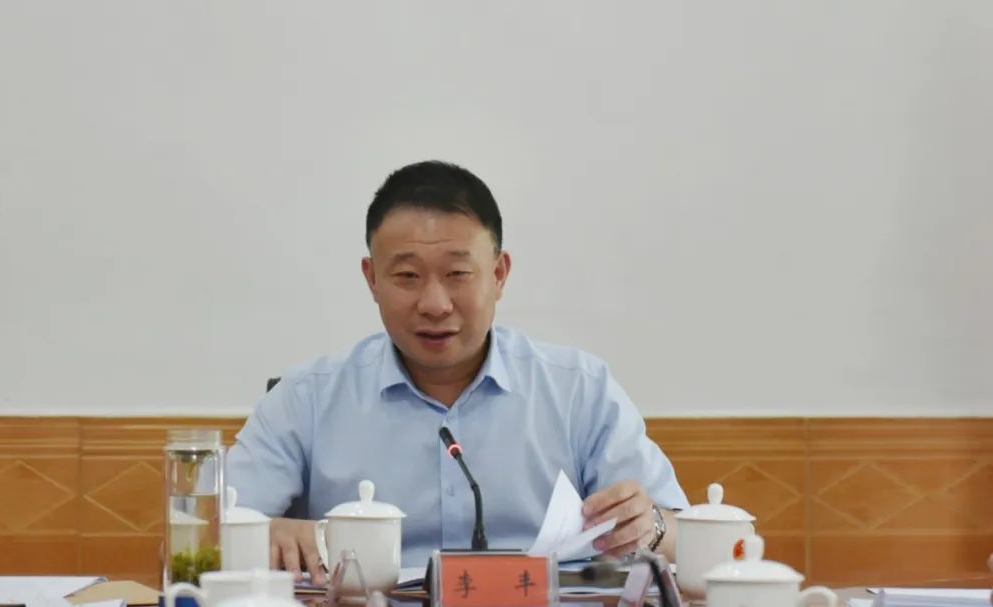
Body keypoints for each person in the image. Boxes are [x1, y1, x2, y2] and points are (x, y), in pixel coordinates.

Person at [227, 160, 689, 583]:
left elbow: (681, 537)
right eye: (407, 277)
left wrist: (649, 526)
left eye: (457, 274)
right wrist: (263, 532)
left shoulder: (578, 390)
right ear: (372, 279)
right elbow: (210, 533)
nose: (434, 304)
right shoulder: (306, 398)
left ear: (499, 274)